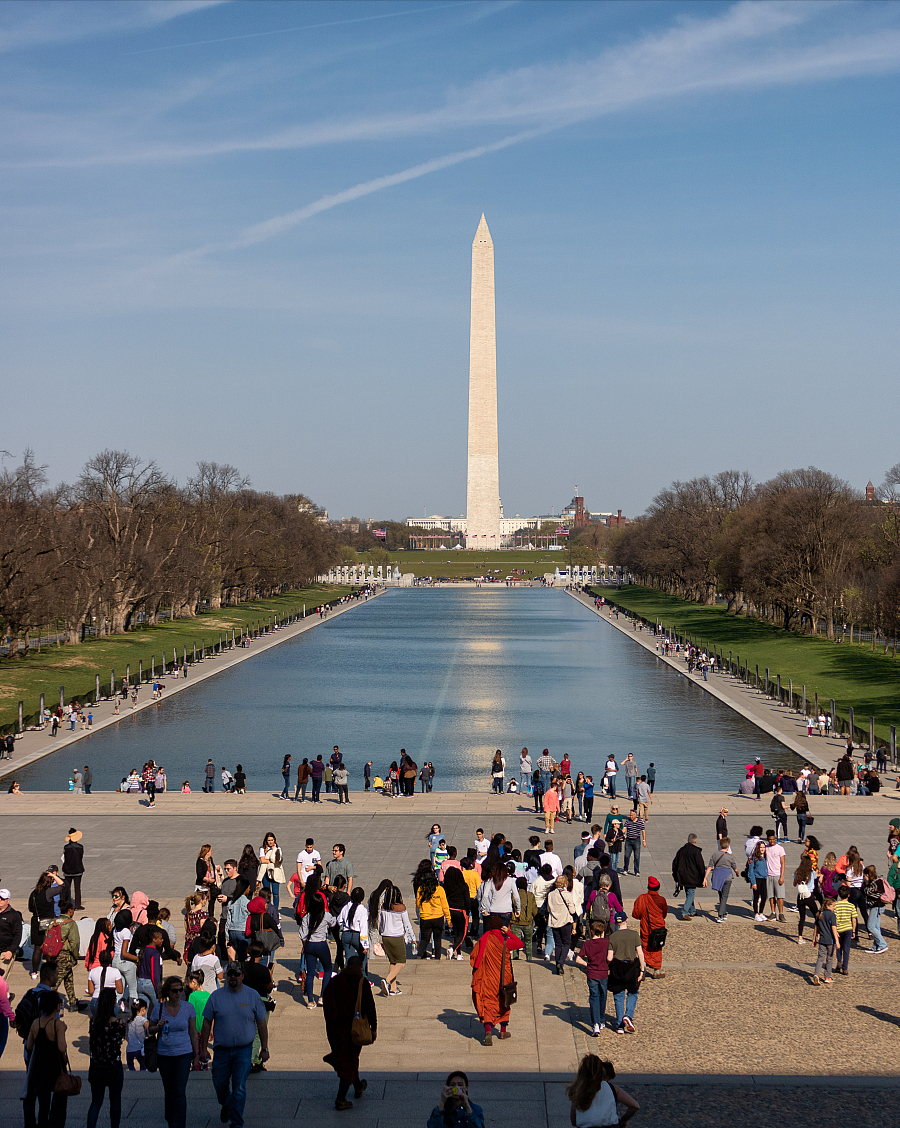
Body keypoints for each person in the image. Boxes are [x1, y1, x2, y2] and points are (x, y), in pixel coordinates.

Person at [199, 962, 268, 1125]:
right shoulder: (216, 996)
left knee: (239, 1087)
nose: (233, 977)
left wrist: (264, 1048)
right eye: (230, 974)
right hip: (221, 1051)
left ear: (242, 976)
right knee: (219, 1084)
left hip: (243, 1051)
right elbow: (206, 1022)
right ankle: (227, 1104)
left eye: (237, 974)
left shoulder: (253, 996)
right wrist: (203, 1049)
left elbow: (262, 1024)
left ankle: (236, 1123)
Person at [322, 957, 376, 1111]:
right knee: (348, 1061)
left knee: (349, 1058)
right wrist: (374, 1027)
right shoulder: (361, 982)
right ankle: (341, 1099)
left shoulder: (334, 982)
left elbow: (327, 1002)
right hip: (353, 1030)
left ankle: (358, 1086)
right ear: (360, 967)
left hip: (335, 1028)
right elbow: (370, 1006)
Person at [149, 976, 200, 1128]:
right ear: (168, 992)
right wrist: (158, 1026)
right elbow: (150, 1030)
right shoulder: (159, 1009)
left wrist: (196, 1054)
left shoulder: (188, 1008)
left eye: (180, 990)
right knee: (169, 1092)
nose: (178, 993)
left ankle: (179, 1125)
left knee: (179, 1093)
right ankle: (171, 1120)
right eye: (174, 991)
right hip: (164, 1055)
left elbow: (193, 1031)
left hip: (183, 1054)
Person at [470, 914, 522, 1045]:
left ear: (490, 926)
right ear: (501, 927)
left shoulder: (485, 938)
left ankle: (488, 1031)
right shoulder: (505, 940)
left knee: (489, 1004)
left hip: (488, 978)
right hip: (503, 978)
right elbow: (520, 943)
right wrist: (509, 933)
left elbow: (475, 957)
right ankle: (503, 1031)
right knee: (503, 1002)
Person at [24, 990, 68, 1128]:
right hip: (55, 1070)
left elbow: (29, 1046)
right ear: (56, 1007)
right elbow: (62, 1048)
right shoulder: (58, 1025)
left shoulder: (36, 1023)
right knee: (59, 1103)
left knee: (43, 1105)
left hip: (39, 1070)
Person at [86, 987, 126, 1128]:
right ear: (114, 1002)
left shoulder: (93, 1022)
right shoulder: (119, 1024)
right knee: (115, 1101)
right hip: (113, 1066)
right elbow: (120, 1039)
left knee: (96, 1102)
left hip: (97, 1065)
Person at [567, 1054, 640, 1126]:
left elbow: (574, 1121)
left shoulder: (578, 1090)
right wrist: (623, 1120)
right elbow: (635, 1106)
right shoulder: (612, 1089)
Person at [607, 912, 645, 1034]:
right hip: (632, 967)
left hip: (617, 967)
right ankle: (628, 1015)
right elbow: (640, 953)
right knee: (633, 993)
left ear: (616, 922)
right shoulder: (634, 935)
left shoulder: (612, 937)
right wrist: (642, 970)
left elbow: (609, 957)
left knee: (618, 995)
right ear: (626, 920)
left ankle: (619, 1025)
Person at [376, 885, 416, 994]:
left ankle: (393, 989)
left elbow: (380, 922)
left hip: (385, 937)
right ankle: (387, 980)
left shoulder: (383, 906)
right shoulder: (401, 908)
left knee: (393, 961)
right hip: (396, 937)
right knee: (401, 961)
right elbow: (407, 924)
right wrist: (413, 938)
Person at [298, 892, 335, 1007]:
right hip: (321, 945)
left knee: (310, 972)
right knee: (328, 969)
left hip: (309, 945)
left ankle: (310, 1001)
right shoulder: (326, 915)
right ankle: (322, 996)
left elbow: (302, 935)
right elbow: (333, 923)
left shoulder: (306, 917)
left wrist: (304, 946)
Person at [574, 920, 610, 1035]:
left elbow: (578, 959)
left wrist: (587, 964)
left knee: (594, 997)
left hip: (592, 973)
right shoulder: (606, 943)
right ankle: (601, 1019)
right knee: (603, 996)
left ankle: (596, 1024)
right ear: (602, 932)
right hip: (603, 973)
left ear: (592, 931)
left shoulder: (587, 944)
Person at [631, 877, 667, 979]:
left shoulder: (641, 898)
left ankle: (643, 970)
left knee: (644, 947)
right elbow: (664, 914)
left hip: (646, 928)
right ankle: (657, 971)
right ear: (658, 888)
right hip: (658, 928)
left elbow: (636, 914)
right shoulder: (661, 900)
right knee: (657, 948)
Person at [416, 871, 451, 960]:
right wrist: (448, 919)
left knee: (424, 939)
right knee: (437, 939)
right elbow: (445, 906)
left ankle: (419, 955)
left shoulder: (421, 889)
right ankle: (437, 957)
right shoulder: (440, 889)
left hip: (425, 917)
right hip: (438, 917)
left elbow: (418, 905)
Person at [547, 875, 578, 974]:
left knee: (558, 944)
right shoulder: (567, 894)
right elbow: (572, 910)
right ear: (565, 884)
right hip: (565, 921)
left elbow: (548, 909)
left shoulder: (550, 894)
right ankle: (560, 962)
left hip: (554, 921)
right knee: (567, 943)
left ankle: (557, 963)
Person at [672, 834, 706, 920]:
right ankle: (685, 912)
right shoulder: (696, 851)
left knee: (689, 893)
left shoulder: (681, 850)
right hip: (692, 876)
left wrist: (675, 875)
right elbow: (700, 865)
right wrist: (703, 877)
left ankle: (693, 910)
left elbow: (675, 863)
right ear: (695, 841)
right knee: (691, 893)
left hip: (683, 876)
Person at [706, 838, 738, 923]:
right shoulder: (729, 856)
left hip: (717, 876)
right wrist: (737, 873)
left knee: (721, 895)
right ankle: (720, 915)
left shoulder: (715, 854)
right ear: (728, 846)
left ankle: (724, 912)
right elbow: (734, 867)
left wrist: (705, 878)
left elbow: (710, 867)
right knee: (725, 896)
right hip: (727, 877)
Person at [811, 897, 839, 985]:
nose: (834, 908)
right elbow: (833, 928)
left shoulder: (820, 914)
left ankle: (817, 974)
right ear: (828, 906)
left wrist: (814, 939)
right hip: (830, 940)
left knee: (820, 958)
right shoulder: (832, 915)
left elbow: (816, 927)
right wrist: (837, 941)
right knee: (829, 958)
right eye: (833, 906)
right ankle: (827, 976)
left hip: (822, 940)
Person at [862, 865, 890, 954]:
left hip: (876, 906)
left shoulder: (874, 883)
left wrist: (864, 885)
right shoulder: (878, 880)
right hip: (879, 906)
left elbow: (867, 892)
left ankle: (882, 944)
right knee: (876, 927)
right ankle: (876, 946)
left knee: (871, 926)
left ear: (867, 875)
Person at [257, 833, 285, 915]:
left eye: (272, 840)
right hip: (265, 872)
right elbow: (262, 860)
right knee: (266, 892)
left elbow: (277, 861)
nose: (270, 842)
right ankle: (267, 909)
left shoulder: (278, 849)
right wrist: (271, 860)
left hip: (275, 872)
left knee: (276, 893)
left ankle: (276, 911)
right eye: (269, 840)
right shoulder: (262, 849)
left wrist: (273, 851)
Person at [764, 829, 787, 922]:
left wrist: (782, 876)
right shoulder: (766, 848)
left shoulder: (780, 848)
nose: (772, 841)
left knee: (780, 895)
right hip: (769, 875)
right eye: (770, 839)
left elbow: (783, 863)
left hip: (777, 874)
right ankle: (773, 912)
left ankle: (781, 913)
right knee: (771, 896)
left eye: (773, 839)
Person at [61, 829, 85, 910]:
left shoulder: (66, 847)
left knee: (67, 888)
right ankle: (78, 905)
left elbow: (65, 858)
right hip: (78, 869)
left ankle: (68, 905)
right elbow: (80, 858)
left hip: (67, 870)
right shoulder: (80, 847)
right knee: (77, 888)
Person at [622, 810, 646, 877]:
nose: (631, 816)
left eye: (632, 815)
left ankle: (637, 871)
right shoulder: (628, 821)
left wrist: (644, 840)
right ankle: (625, 869)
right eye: (630, 815)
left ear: (635, 815)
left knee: (637, 857)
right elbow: (624, 829)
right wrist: (622, 833)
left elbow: (643, 831)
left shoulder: (640, 822)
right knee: (626, 856)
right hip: (628, 840)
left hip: (636, 840)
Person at [126, 999, 148, 1070]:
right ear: (143, 1009)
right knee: (143, 1065)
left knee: (130, 1065)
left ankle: (133, 1075)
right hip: (139, 1048)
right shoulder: (143, 1020)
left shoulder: (130, 1020)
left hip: (129, 1049)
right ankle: (141, 1078)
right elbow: (149, 1029)